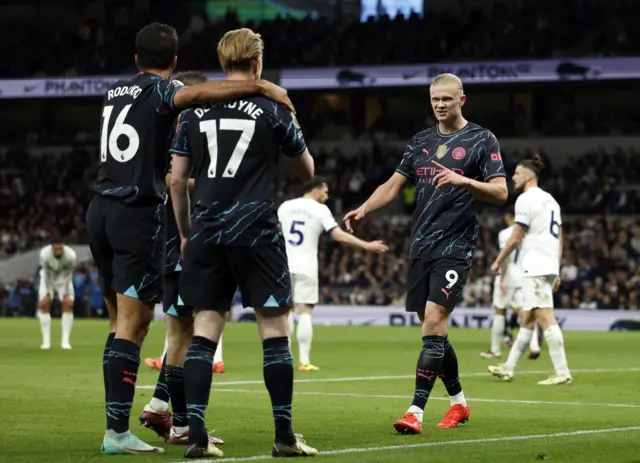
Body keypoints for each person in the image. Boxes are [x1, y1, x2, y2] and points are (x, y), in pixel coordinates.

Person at [86, 22, 294, 455]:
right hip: (136, 215)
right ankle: (120, 431)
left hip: (99, 210)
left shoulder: (114, 92)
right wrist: (262, 88)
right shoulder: (165, 92)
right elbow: (197, 96)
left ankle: (142, 421)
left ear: (135, 58)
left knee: (118, 324)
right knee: (138, 325)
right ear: (175, 63)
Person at [171, 28, 317, 459]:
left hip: (207, 231)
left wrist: (184, 233)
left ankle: (196, 435)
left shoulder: (192, 112)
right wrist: (291, 119)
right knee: (274, 333)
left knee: (204, 334)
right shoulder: (272, 109)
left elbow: (178, 180)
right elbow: (307, 171)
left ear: (222, 65)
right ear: (257, 65)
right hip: (255, 229)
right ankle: (284, 436)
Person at [344, 73, 507, 434]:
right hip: (421, 245)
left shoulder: (482, 139)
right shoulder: (420, 141)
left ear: (462, 100)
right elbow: (393, 184)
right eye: (435, 99)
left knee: (433, 320)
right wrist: (366, 209)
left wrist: (464, 180)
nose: (440, 105)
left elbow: (500, 192)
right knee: (434, 328)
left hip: (456, 245)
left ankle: (415, 411)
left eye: (447, 99)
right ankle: (459, 404)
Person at [139, 70, 224, 447]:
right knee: (185, 336)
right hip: (182, 246)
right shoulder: (180, 136)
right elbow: (176, 180)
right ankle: (177, 420)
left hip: (168, 244)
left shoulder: (173, 135)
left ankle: (165, 409)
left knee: (180, 335)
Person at [278, 176, 388, 371]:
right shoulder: (320, 210)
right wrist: (366, 245)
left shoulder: (285, 207)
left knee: (285, 310)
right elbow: (337, 234)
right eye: (325, 191)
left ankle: (284, 358)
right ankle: (304, 361)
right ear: (316, 189)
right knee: (304, 311)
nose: (327, 196)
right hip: (306, 266)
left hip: (283, 264)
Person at [488, 155, 572, 385]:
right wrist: (556, 267)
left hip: (534, 264)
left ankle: (562, 372)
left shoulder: (526, 199)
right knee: (526, 318)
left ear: (529, 175)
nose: (512, 177)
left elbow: (515, 237)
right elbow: (559, 237)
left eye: (516, 173)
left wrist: (498, 261)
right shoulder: (551, 201)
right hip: (547, 263)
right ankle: (508, 367)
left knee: (545, 318)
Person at [480, 210, 540, 359]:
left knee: (500, 311)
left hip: (509, 276)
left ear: (509, 217)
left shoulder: (505, 233)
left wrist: (501, 279)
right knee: (524, 311)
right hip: (524, 275)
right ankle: (534, 345)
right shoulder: (528, 234)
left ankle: (495, 350)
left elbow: (505, 256)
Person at [37, 239, 76, 350]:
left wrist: (65, 293)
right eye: (56, 249)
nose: (58, 252)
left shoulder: (71, 256)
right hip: (47, 278)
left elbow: (68, 275)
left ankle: (65, 342)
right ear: (51, 247)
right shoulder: (44, 254)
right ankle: (46, 342)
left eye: (61, 249)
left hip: (64, 279)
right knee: (44, 304)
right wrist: (48, 293)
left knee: (68, 304)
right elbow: (47, 274)